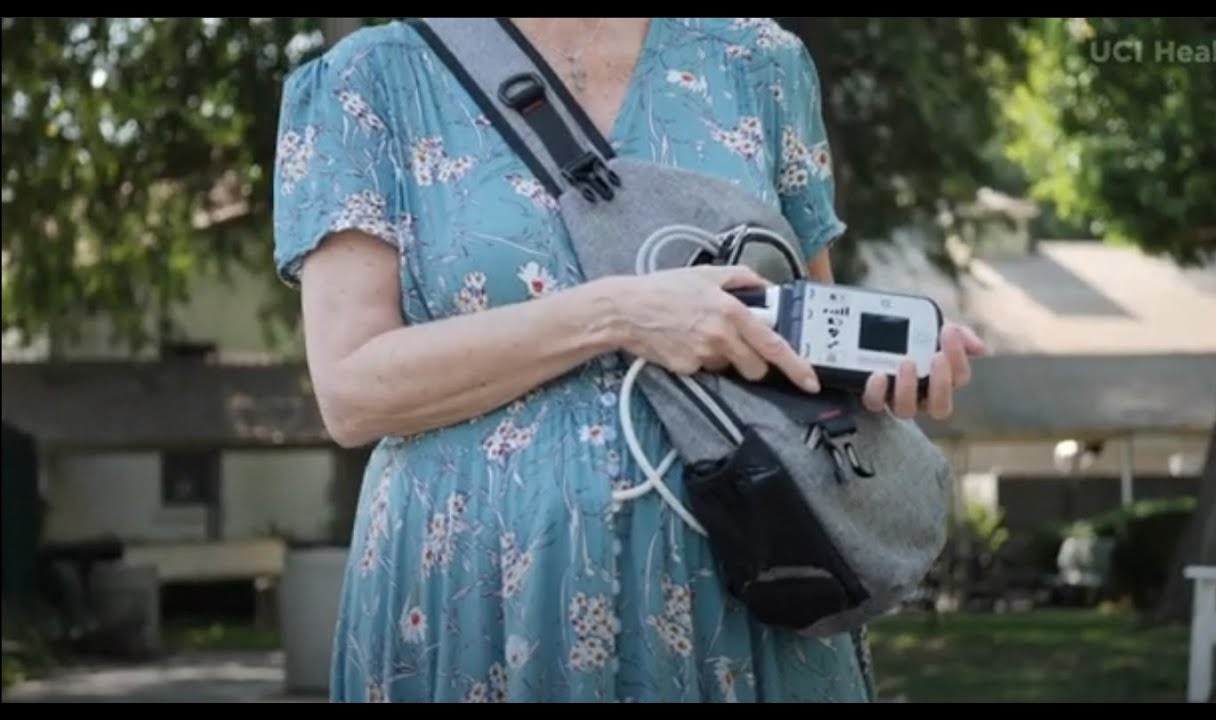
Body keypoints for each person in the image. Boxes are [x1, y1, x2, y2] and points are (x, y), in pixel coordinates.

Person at [271, 17, 986, 703]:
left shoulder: (759, 63)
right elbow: (353, 390)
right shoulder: (366, 83)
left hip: (740, 591)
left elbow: (801, 339)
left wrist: (878, 377)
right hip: (481, 598)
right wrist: (617, 315)